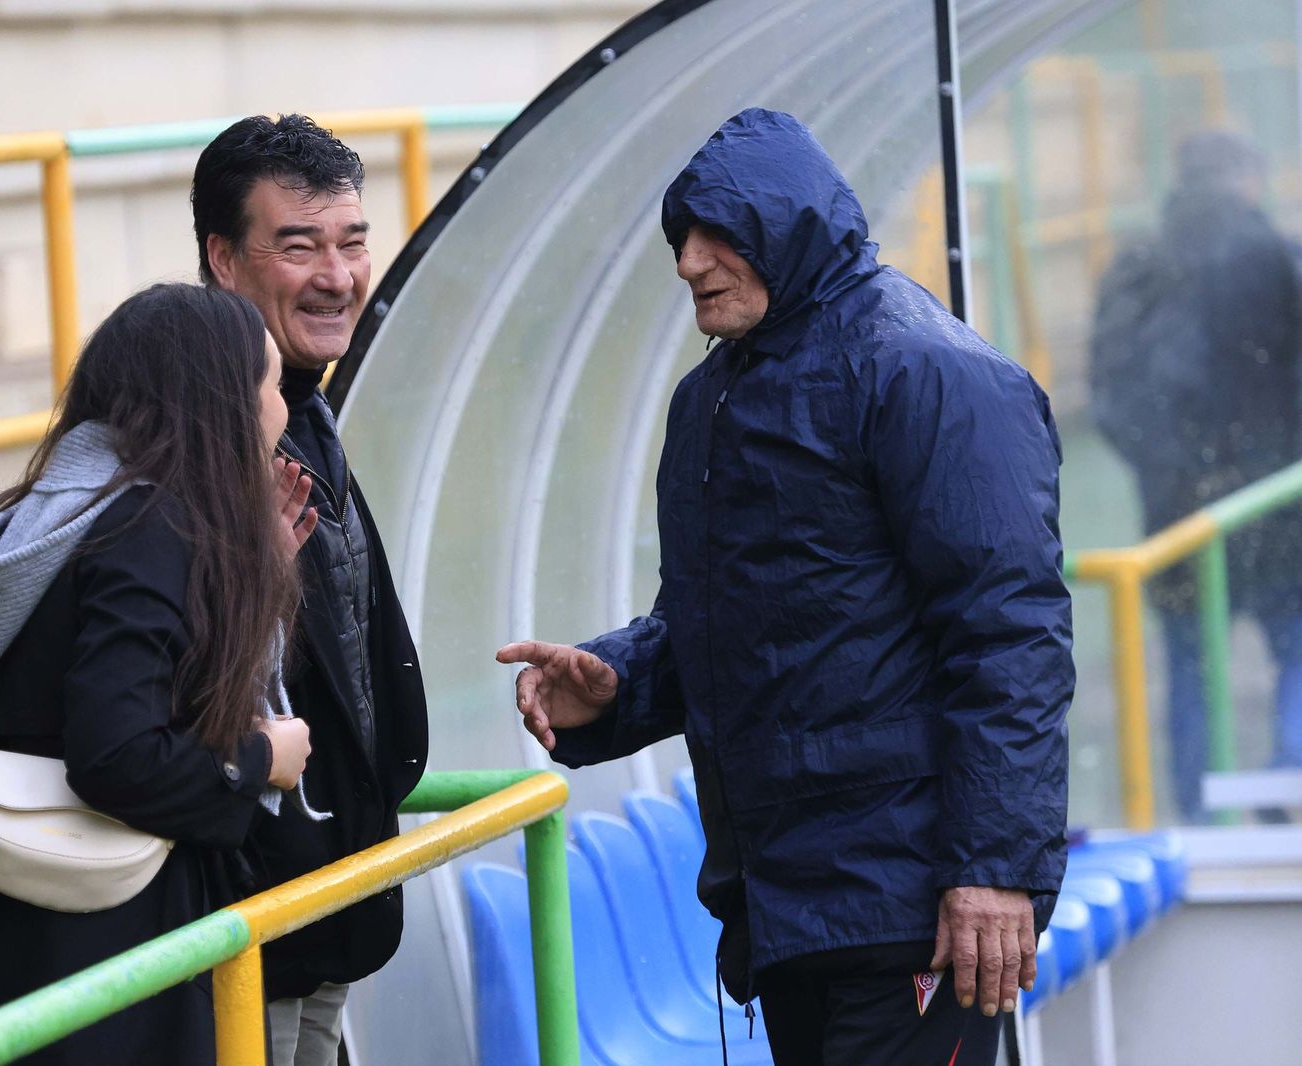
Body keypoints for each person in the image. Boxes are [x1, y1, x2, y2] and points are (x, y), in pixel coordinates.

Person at [498, 109, 1073, 1066]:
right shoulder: (711, 397)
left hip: (916, 909)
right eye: (680, 237)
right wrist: (618, 681)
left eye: (719, 233)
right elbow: (733, 623)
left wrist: (996, 869)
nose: (688, 261)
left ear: (790, 229)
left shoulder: (930, 374)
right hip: (786, 911)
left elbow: (1009, 638)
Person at [0, 283, 320, 1063]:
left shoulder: (70, 509)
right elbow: (117, 755)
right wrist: (262, 759)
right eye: (273, 384)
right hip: (122, 970)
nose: (283, 410)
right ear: (222, 401)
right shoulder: (149, 527)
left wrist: (251, 579)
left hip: (40, 943)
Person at [191, 114, 429, 1064]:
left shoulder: (304, 412)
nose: (337, 276)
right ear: (223, 259)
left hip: (331, 901)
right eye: (298, 247)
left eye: (353, 242)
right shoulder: (196, 441)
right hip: (249, 919)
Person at [1090, 129, 1302, 823]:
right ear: (1249, 179)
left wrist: (1175, 471)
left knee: (1190, 665)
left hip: (1180, 511)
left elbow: (1112, 396)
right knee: (1297, 644)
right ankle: (1289, 776)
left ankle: (1202, 814)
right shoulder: (1282, 259)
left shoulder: (1138, 269)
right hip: (1280, 505)